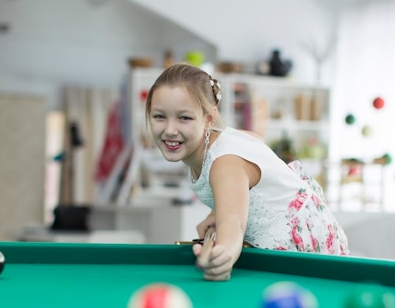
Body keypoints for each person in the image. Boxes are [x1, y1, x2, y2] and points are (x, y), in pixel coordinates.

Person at [144, 63, 349, 281]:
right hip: (307, 231)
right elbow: (254, 140)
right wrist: (218, 209)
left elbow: (233, 223)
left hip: (303, 250)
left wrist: (223, 253)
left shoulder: (224, 163)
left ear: (209, 119)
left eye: (184, 118)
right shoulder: (222, 141)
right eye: (159, 116)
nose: (170, 130)